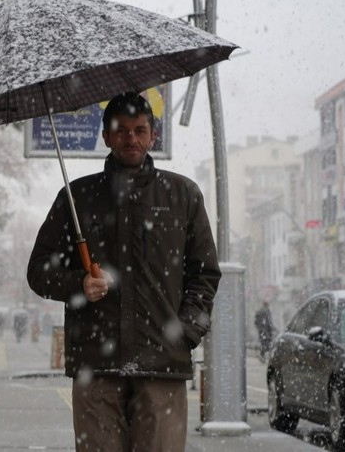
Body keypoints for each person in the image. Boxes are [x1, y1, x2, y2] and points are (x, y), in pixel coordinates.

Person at [26, 91, 221, 452]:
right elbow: (38, 270)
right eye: (122, 131)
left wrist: (186, 332)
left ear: (153, 136)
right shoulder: (76, 197)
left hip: (162, 365)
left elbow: (205, 273)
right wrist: (78, 284)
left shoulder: (183, 195)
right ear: (106, 136)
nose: (131, 138)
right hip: (96, 367)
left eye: (139, 130)